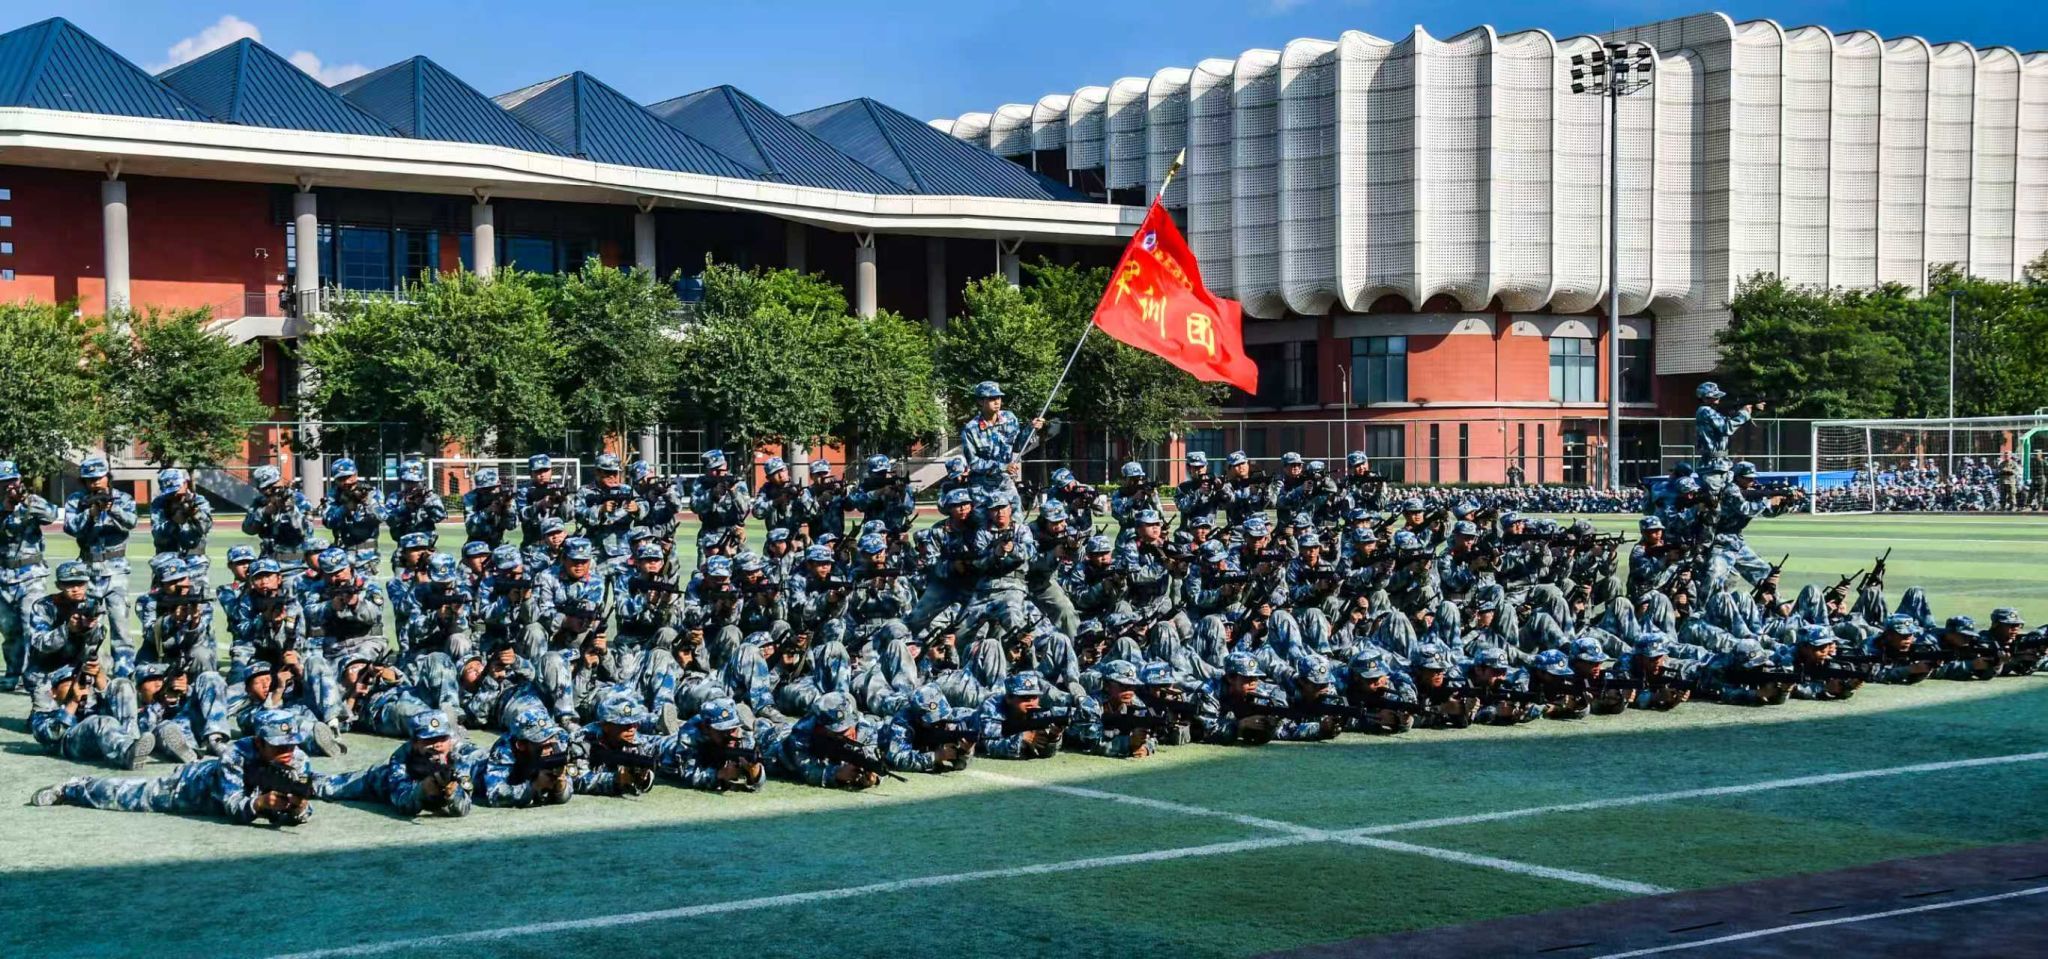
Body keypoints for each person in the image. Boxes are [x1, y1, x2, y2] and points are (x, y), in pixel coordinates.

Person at [30, 708, 326, 826]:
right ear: (259, 742)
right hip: (188, 789)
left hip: (224, 797)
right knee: (125, 795)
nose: (288, 751)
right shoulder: (236, 754)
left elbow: (301, 810)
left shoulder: (298, 760)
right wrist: (259, 804)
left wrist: (297, 808)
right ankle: (74, 788)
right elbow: (232, 805)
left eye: (291, 744)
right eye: (279, 745)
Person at [318, 709, 483, 817]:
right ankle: (310, 781)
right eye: (429, 740)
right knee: (332, 786)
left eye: (442, 738)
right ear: (415, 742)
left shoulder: (458, 757)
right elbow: (402, 802)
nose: (437, 745)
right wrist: (422, 790)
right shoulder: (400, 759)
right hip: (379, 781)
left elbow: (463, 809)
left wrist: (452, 792)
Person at [64, 454, 138, 660]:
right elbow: (70, 528)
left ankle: (124, 668)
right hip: (87, 569)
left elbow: (131, 522)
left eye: (99, 477)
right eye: (90, 479)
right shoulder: (77, 500)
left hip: (116, 570)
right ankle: (92, 667)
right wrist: (90, 512)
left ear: (108, 477)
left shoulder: (123, 498)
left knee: (120, 624)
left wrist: (112, 509)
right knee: (89, 624)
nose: (95, 482)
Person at [0, 460, 58, 692]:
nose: (9, 486)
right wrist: (5, 508)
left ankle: (32, 675)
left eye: (12, 481)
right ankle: (13, 672)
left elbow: (51, 515)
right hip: (3, 577)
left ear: (19, 480)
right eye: (4, 483)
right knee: (9, 629)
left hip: (31, 576)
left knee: (31, 627)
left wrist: (27, 501)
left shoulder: (31, 502)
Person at [958, 381, 1043, 512]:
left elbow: (1018, 446)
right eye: (992, 398)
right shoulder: (971, 429)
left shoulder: (1010, 419)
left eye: (998, 397)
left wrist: (1031, 429)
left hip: (1005, 483)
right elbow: (974, 463)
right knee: (982, 521)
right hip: (981, 487)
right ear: (980, 401)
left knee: (1016, 519)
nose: (997, 401)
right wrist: (1002, 467)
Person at [243, 464, 315, 560]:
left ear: (280, 481)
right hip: (269, 558)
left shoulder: (299, 499)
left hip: (295, 558)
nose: (269, 491)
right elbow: (248, 529)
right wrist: (264, 512)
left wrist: (291, 511)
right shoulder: (260, 502)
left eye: (271, 486)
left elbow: (306, 531)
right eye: (265, 488)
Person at [149, 467, 214, 568]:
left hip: (194, 559)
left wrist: (194, 513)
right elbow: (157, 534)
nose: (174, 495)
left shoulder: (198, 501)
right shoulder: (159, 504)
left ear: (185, 484)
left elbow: (206, 527)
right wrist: (173, 522)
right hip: (167, 559)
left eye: (176, 490)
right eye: (169, 494)